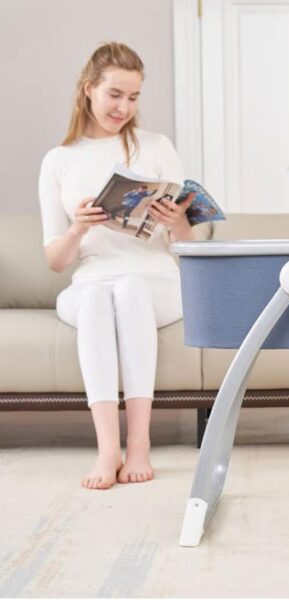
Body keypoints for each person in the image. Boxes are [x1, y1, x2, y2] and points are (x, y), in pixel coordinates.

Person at [38, 42, 195, 490]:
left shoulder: (157, 147)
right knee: (96, 297)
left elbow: (186, 247)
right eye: (114, 94)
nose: (123, 108)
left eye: (133, 97)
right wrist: (77, 228)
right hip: (90, 280)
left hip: (156, 281)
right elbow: (55, 261)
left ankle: (139, 443)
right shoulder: (59, 160)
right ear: (89, 89)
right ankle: (108, 448)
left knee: (129, 290)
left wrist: (176, 220)